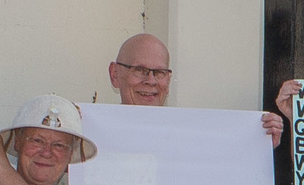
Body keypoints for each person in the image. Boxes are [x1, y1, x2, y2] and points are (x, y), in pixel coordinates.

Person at [111, 30, 282, 146]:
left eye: (160, 72)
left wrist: (260, 146)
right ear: (115, 75)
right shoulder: (90, 136)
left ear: (168, 80)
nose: (151, 80)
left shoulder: (192, 138)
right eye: (140, 70)